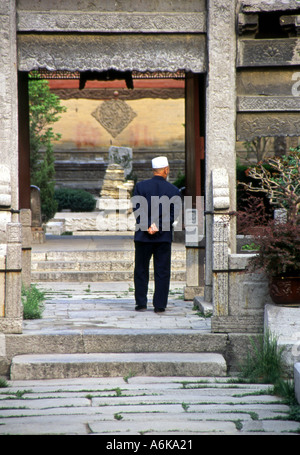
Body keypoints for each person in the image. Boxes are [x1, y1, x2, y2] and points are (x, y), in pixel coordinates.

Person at [132, 156, 181, 313]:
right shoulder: (173, 190)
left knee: (141, 269)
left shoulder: (140, 186)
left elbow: (137, 209)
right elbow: (174, 214)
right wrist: (159, 226)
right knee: (162, 271)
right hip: (163, 236)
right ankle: (159, 305)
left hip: (143, 236)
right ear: (166, 169)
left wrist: (147, 226)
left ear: (154, 170)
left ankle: (141, 303)